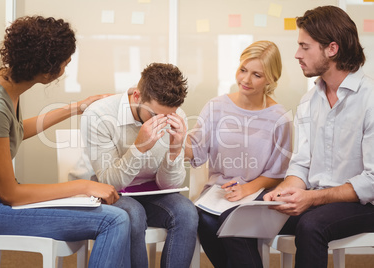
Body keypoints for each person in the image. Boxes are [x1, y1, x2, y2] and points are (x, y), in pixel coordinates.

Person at [0, 16, 130, 268]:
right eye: (65, 64)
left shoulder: (2, 81)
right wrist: (83, 186)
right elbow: (11, 194)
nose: (65, 70)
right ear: (47, 71)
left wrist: (78, 107)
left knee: (115, 216)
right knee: (114, 220)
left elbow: (15, 131)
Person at [263, 5, 374, 268]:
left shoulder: (370, 99)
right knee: (242, 217)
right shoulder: (309, 100)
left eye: (305, 47)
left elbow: (372, 180)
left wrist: (311, 198)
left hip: (364, 203)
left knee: (311, 225)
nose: (296, 54)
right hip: (317, 199)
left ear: (331, 49)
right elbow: (301, 164)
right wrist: (282, 193)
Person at [70, 62, 198, 268]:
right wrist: (139, 148)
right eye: (155, 115)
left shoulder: (176, 117)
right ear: (137, 96)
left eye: (168, 116)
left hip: (151, 192)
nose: (162, 122)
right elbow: (109, 182)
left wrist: (175, 150)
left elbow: (169, 186)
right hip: (106, 191)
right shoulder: (99, 115)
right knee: (132, 213)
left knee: (187, 211)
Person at [185, 40, 292, 267]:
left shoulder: (280, 118)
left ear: (271, 79)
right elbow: (196, 150)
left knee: (233, 221)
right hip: (219, 193)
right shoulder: (216, 107)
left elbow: (279, 173)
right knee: (202, 220)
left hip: (259, 195)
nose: (245, 80)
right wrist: (173, 141)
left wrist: (247, 189)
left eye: (256, 75)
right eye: (243, 70)